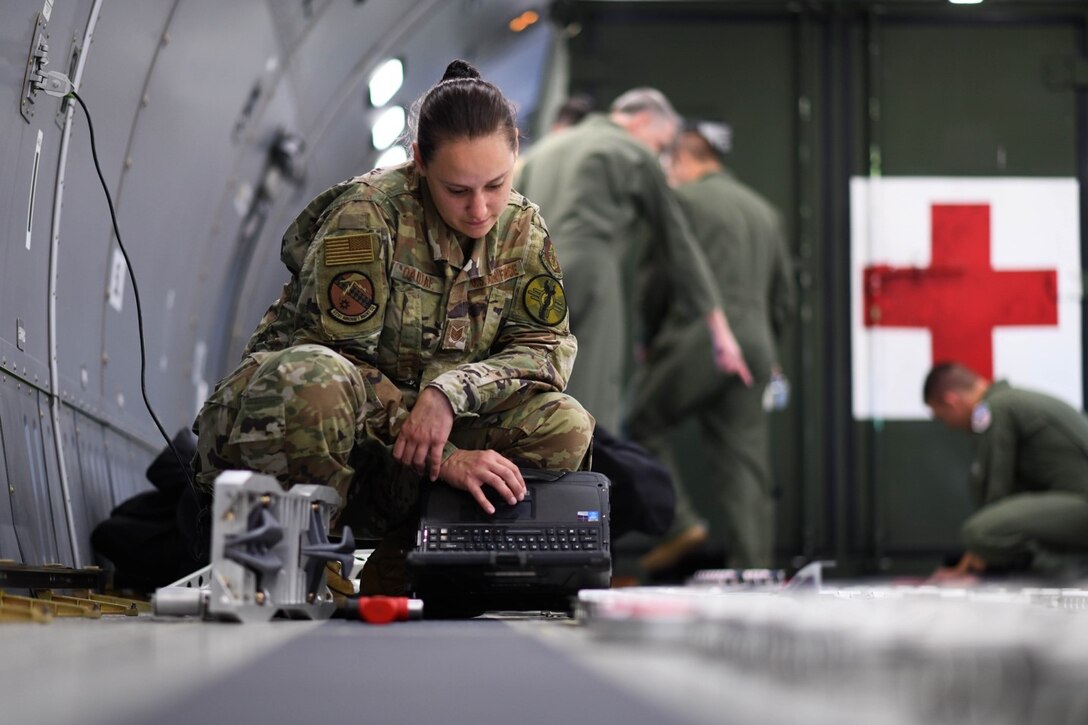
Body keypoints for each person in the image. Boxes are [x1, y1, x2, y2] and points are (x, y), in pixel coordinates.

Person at [192, 60, 593, 595]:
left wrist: (450, 393)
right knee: (316, 378)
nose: (480, 209)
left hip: (410, 458)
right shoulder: (368, 215)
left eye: (495, 184)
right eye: (458, 190)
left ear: (516, 150)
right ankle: (303, 566)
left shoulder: (522, 229)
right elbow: (330, 358)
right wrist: (447, 456)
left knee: (564, 423)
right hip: (303, 446)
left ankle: (411, 568)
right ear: (420, 161)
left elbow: (545, 348)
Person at [516, 88, 751, 433]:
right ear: (642, 121)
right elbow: (678, 244)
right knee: (591, 397)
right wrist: (719, 328)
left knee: (527, 384)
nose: (660, 155)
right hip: (591, 275)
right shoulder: (633, 152)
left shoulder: (543, 152)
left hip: (529, 278)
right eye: (661, 145)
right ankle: (584, 485)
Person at [629, 121, 796, 571]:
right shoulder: (765, 212)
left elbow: (658, 278)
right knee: (746, 463)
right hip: (757, 347)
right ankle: (755, 567)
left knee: (641, 422)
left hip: (699, 338)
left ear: (683, 159)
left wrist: (650, 336)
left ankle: (680, 523)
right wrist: (767, 347)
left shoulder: (681, 200)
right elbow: (784, 298)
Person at [924, 362, 1088, 580]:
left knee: (979, 531)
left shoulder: (993, 409)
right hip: (1076, 503)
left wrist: (976, 556)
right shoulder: (1011, 401)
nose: (949, 426)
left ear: (952, 401)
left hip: (1080, 503)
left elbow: (995, 492)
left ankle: (1074, 567)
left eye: (942, 417)